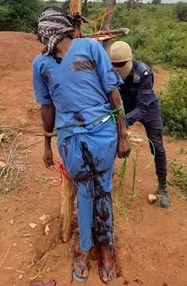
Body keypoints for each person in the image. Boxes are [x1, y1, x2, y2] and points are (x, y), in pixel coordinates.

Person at [32, 7, 130, 284]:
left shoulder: (90, 48)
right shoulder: (41, 65)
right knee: (85, 192)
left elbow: (113, 91)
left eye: (43, 30)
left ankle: (106, 248)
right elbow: (47, 107)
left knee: (104, 190)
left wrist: (123, 134)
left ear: (56, 29)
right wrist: (46, 145)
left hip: (103, 134)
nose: (41, 36)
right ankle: (85, 247)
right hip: (71, 139)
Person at [109, 41, 170, 208]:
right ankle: (107, 175)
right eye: (115, 64)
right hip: (123, 108)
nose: (118, 67)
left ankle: (163, 187)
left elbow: (142, 107)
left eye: (121, 64)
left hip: (148, 108)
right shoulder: (107, 71)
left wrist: (123, 122)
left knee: (157, 146)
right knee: (110, 138)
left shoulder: (143, 73)